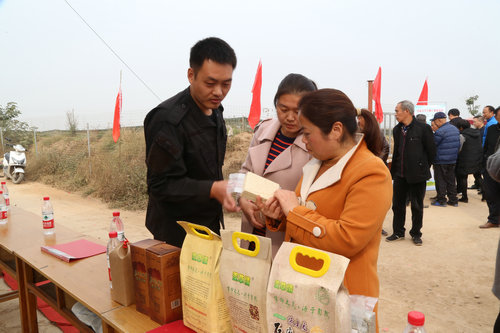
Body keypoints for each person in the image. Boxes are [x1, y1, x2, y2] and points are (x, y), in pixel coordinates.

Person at [260, 89, 392, 328]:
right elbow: (303, 219)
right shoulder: (317, 163)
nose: (304, 140)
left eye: (308, 133)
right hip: (308, 285)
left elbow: (347, 238)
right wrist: (278, 217)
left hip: (346, 291)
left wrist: (294, 212)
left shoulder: (371, 171)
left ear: (336, 130)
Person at [143, 37, 238, 247]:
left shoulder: (216, 112)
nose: (219, 92)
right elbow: (160, 185)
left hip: (208, 227)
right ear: (191, 75)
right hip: (174, 234)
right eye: (210, 83)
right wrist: (213, 189)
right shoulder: (167, 120)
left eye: (226, 84)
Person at [239, 73, 317, 256]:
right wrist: (241, 200)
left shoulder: (314, 146)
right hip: (251, 234)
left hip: (283, 241)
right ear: (276, 105)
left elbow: (315, 203)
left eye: (298, 111)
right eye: (283, 109)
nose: (290, 117)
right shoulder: (262, 131)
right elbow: (243, 173)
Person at [386, 100, 436, 246]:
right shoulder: (397, 130)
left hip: (417, 175)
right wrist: (393, 171)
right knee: (397, 205)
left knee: (416, 205)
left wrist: (422, 166)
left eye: (397, 111)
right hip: (400, 175)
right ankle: (398, 232)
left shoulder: (423, 128)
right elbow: (396, 153)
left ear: (406, 111)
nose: (396, 114)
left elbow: (431, 151)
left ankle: (416, 233)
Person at [430, 111, 461, 207]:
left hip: (441, 160)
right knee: (451, 180)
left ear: (439, 120)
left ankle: (441, 200)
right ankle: (453, 200)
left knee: (440, 181)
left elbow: (433, 145)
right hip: (452, 159)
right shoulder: (455, 129)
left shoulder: (440, 131)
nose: (434, 124)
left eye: (435, 122)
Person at [480, 106, 500, 228]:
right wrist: (484, 162)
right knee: (491, 194)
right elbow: (486, 146)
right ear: (496, 116)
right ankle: (493, 219)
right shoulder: (492, 128)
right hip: (491, 167)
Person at [455, 118, 482, 203]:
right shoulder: (477, 133)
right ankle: (485, 195)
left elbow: (459, 148)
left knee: (463, 177)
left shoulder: (462, 136)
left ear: (461, 128)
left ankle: (464, 197)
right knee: (478, 176)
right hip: (477, 158)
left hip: (465, 159)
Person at [470, 115, 486, 192]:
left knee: (479, 172)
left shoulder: (484, 130)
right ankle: (477, 184)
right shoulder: (477, 130)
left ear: (480, 122)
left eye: (474, 122)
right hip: (476, 153)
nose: (473, 123)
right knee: (476, 171)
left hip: (481, 154)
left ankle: (483, 188)